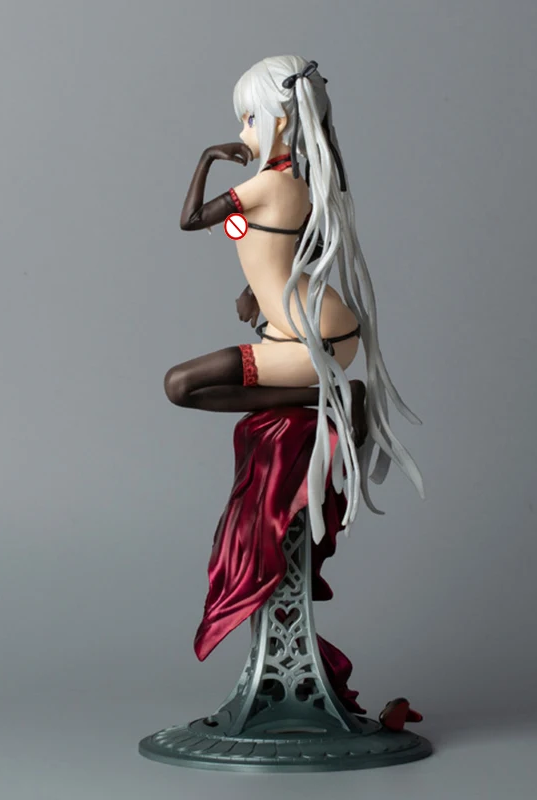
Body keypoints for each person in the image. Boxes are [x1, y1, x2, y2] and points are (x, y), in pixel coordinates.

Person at [165, 55, 424, 545]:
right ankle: (333, 395)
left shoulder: (267, 183)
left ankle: (334, 396)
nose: (242, 132)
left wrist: (207, 157)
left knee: (180, 385)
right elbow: (300, 245)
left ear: (278, 121)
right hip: (301, 324)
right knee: (184, 386)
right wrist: (256, 293)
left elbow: (191, 219)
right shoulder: (296, 181)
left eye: (249, 119)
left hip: (313, 340)